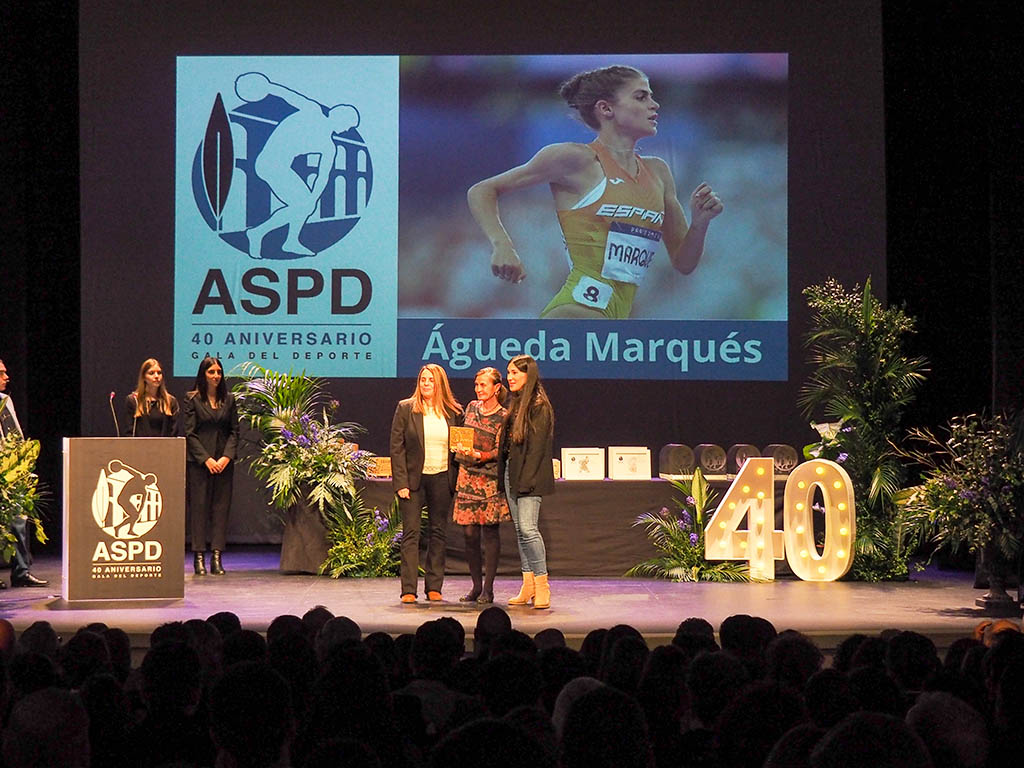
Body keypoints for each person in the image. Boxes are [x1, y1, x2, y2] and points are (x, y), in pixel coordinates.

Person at [468, 64, 724, 319]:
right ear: (606, 108)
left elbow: (684, 263)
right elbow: (482, 190)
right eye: (641, 96)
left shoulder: (659, 172)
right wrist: (502, 246)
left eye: (652, 96)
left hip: (617, 317)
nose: (654, 104)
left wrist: (700, 223)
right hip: (577, 312)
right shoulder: (575, 158)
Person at [389, 364, 462, 603]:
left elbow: (460, 448)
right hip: (413, 481)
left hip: (442, 479)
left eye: (431, 380)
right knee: (411, 534)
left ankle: (434, 587)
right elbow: (396, 448)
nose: (426, 383)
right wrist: (401, 482)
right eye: (423, 379)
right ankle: (409, 589)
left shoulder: (453, 412)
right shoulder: (406, 408)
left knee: (438, 533)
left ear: (440, 383)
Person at [498, 354, 555, 609]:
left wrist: (527, 481)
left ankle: (542, 584)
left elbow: (537, 449)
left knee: (529, 529)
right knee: (521, 531)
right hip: (513, 470)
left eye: (514, 373)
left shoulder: (539, 405)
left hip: (529, 475)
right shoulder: (516, 403)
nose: (509, 377)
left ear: (527, 375)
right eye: (508, 373)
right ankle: (528, 583)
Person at [451, 367, 510, 604]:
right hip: (467, 477)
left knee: (490, 533)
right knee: (468, 533)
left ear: (496, 387)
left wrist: (480, 455)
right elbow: (463, 436)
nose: (478, 389)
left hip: (489, 480)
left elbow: (500, 451)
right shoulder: (471, 407)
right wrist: (461, 447)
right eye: (476, 385)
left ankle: (488, 588)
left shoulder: (504, 416)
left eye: (483, 385)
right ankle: (475, 586)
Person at [183, 356, 238, 576]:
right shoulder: (192, 399)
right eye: (211, 372)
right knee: (199, 508)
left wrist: (226, 457)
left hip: (224, 462)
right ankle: (198, 556)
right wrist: (206, 459)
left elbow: (235, 431)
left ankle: (216, 556)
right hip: (200, 463)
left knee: (220, 509)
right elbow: (190, 432)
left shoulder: (230, 399)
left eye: (218, 372)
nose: (216, 376)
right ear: (203, 374)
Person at [0, 359, 48, 588]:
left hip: (12, 472)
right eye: (2, 373)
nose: (7, 377)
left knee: (19, 522)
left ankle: (21, 572)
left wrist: (25, 462)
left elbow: (16, 434)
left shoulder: (6, 401)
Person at [122, 358, 179, 437]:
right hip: (140, 447)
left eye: (159, 373)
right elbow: (129, 432)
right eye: (151, 373)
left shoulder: (171, 401)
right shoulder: (134, 400)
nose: (156, 376)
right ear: (144, 377)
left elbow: (173, 433)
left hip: (165, 447)